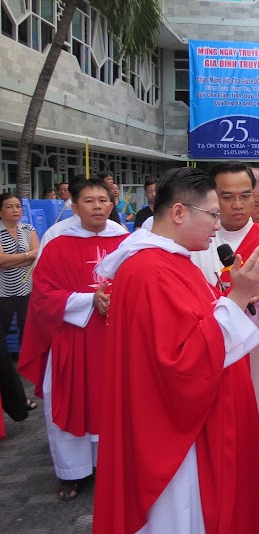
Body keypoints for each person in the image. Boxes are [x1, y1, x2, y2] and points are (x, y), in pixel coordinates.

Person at [92, 167, 259, 534]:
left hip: (179, 424)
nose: (217, 224)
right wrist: (238, 296)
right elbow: (181, 361)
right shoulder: (150, 270)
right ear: (179, 212)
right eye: (212, 214)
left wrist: (233, 299)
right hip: (173, 439)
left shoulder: (169, 260)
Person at [189, 161, 259, 523]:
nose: (237, 205)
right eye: (227, 196)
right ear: (213, 197)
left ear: (256, 197)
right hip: (209, 356)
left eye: (245, 196)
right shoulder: (199, 240)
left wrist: (258, 291)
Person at [17, 178, 129, 501]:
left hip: (114, 338)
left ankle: (110, 464)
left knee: (113, 401)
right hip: (72, 338)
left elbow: (142, 281)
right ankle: (73, 473)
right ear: (74, 205)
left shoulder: (126, 241)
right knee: (70, 399)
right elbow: (43, 294)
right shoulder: (57, 242)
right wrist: (89, 300)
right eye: (89, 200)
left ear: (112, 204)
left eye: (103, 200)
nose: (97, 206)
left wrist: (116, 298)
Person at [0, 193, 39, 421]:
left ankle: (31, 373)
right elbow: (1, 262)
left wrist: (15, 258)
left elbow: (37, 255)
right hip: (3, 293)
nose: (15, 210)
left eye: (17, 206)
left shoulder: (27, 228)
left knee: (29, 333)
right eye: (9, 207)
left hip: (27, 290)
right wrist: (26, 256)